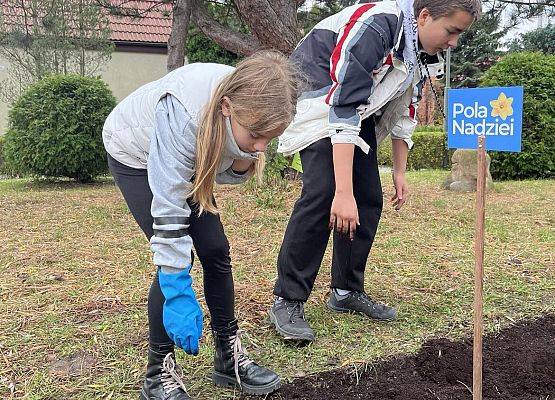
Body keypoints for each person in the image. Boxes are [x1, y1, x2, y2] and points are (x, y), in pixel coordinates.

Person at [269, 0, 481, 342]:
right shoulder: (378, 25)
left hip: (359, 110)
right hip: (316, 98)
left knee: (367, 197)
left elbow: (405, 107)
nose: (453, 42)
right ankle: (288, 299)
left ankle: (345, 291)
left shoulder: (422, 49)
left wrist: (399, 172)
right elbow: (343, 102)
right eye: (452, 31)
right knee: (324, 193)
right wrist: (341, 192)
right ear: (424, 16)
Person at [103, 51, 299, 399]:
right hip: (134, 152)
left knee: (215, 249)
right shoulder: (183, 114)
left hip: (185, 159)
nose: (260, 147)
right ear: (226, 107)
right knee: (178, 257)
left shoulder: (251, 99)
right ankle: (157, 372)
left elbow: (223, 171)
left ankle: (227, 356)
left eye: (268, 138)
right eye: (256, 135)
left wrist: (246, 156)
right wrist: (178, 290)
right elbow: (168, 211)